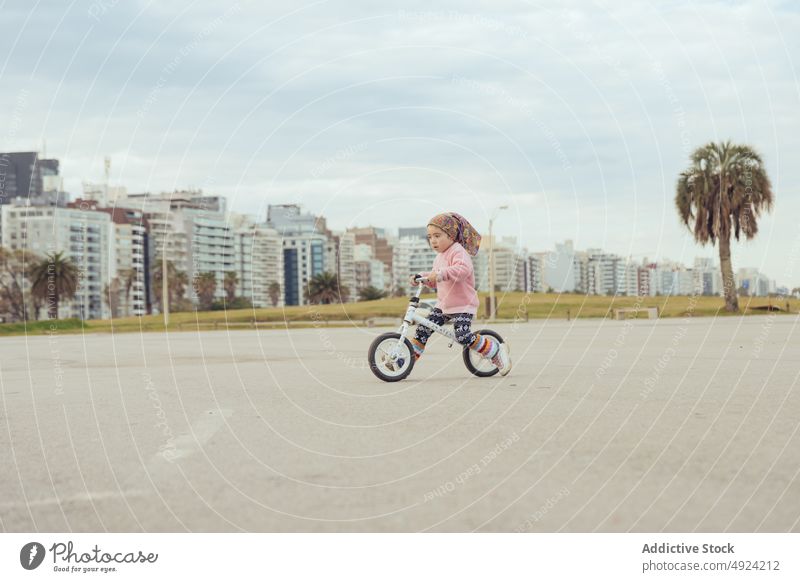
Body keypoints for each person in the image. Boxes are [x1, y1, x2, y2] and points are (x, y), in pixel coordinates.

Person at [408, 212, 511, 376]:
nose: (433, 240)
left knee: (463, 336)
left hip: (463, 305)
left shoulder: (458, 252)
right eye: (430, 237)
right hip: (443, 306)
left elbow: (462, 270)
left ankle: (495, 351)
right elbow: (435, 279)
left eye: (437, 235)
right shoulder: (439, 257)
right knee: (422, 330)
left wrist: (440, 273)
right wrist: (422, 277)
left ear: (451, 235)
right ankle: (405, 362)